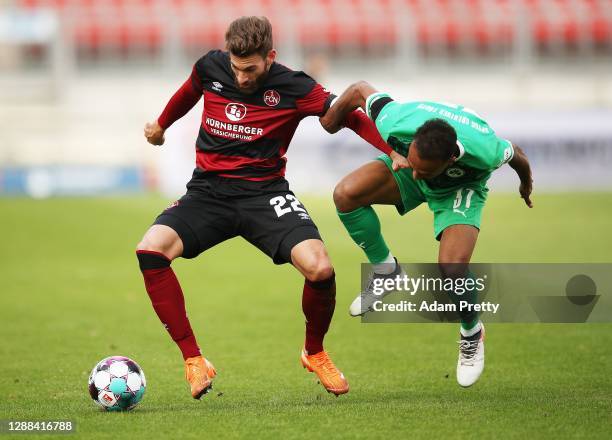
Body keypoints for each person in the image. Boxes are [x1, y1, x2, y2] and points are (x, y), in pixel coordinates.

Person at [137, 17, 393, 399]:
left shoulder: (295, 86)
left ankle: (315, 351)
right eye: (236, 68)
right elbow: (189, 92)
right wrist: (161, 125)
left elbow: (350, 119)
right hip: (208, 192)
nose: (241, 78)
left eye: (251, 69)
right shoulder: (211, 66)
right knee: (151, 250)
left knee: (320, 267)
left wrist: (394, 151)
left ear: (270, 56)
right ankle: (193, 359)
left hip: (265, 194)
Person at [320, 81, 533, 387]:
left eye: (425, 169)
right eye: (415, 163)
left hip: (459, 189)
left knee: (452, 268)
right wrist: (331, 118)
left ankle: (472, 332)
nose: (417, 172)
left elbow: (518, 156)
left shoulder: (484, 151)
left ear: (451, 160)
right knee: (345, 195)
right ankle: (386, 271)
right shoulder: (397, 120)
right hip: (408, 165)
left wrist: (525, 184)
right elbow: (359, 89)